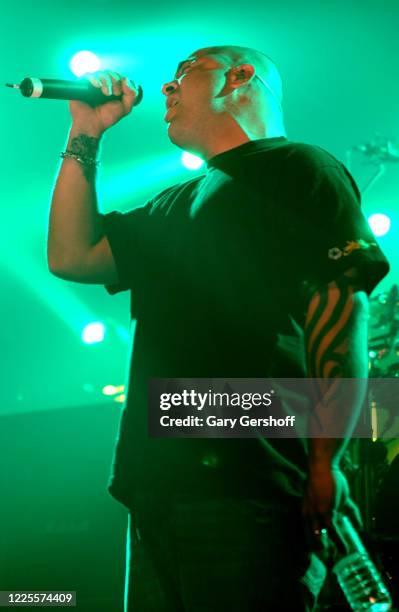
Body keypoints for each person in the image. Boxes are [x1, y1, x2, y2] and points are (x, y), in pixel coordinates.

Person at [47, 45, 390, 611]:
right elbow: (71, 255)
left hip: (250, 479)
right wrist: (86, 134)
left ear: (238, 77)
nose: (164, 88)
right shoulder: (173, 201)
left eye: (183, 72)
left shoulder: (300, 167)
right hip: (156, 480)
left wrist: (328, 459)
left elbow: (339, 308)